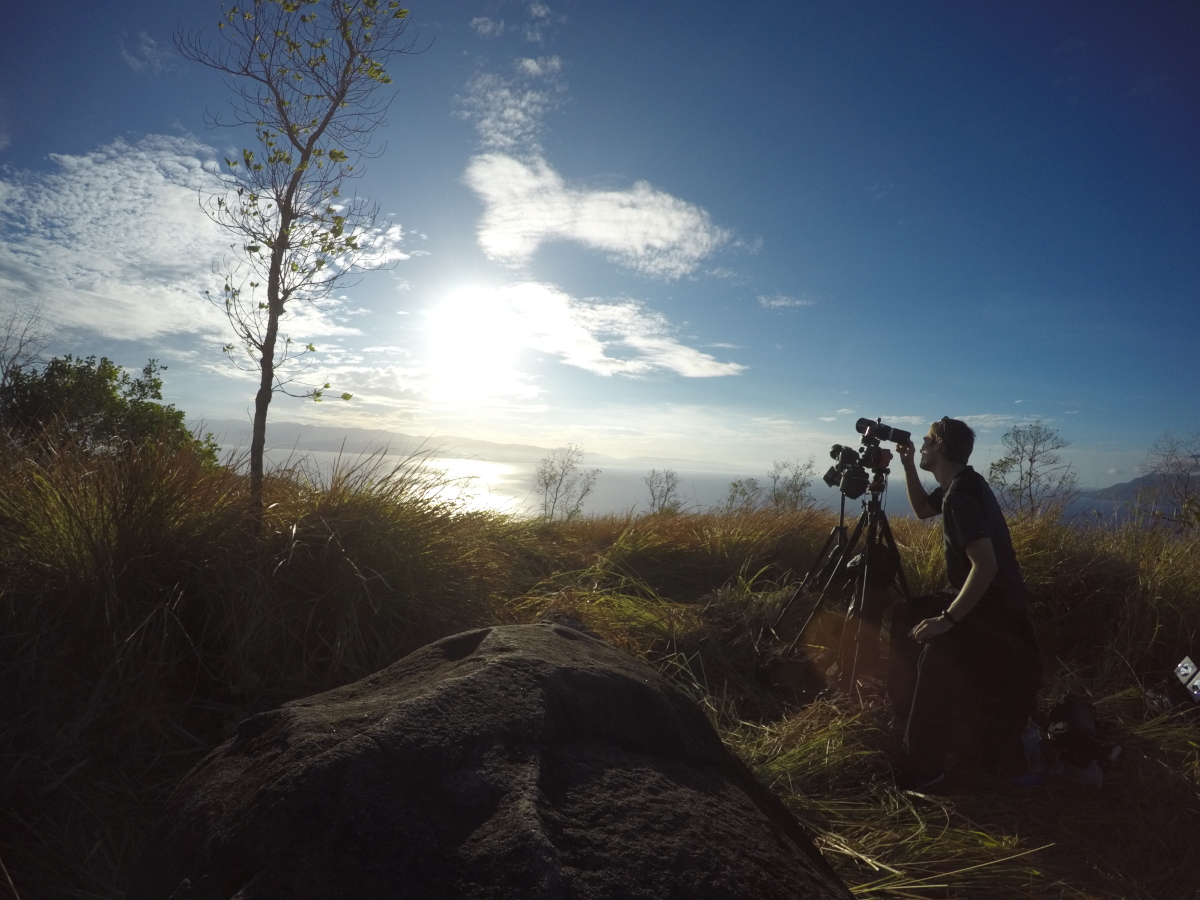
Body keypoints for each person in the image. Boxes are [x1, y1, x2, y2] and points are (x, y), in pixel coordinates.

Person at [887, 417, 1042, 790]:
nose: (921, 445)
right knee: (904, 614)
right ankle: (904, 713)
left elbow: (985, 566)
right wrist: (908, 465)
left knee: (937, 650)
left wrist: (948, 619)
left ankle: (925, 769)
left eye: (925, 441)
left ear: (939, 444)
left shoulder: (960, 495)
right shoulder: (963, 482)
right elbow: (923, 509)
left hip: (997, 611)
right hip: (980, 598)